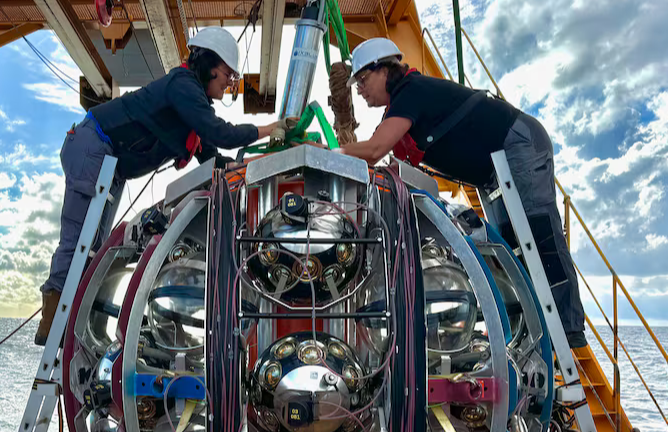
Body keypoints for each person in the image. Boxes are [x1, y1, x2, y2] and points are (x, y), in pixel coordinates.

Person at [34, 26, 298, 345]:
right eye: (228, 74)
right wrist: (270, 128)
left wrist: (265, 163)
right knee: (79, 238)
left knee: (96, 245)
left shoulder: (190, 108)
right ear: (210, 65)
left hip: (110, 163)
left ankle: (73, 324)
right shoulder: (183, 85)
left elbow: (216, 159)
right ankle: (53, 321)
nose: (231, 82)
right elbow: (220, 133)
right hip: (93, 145)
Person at [338, 38, 587, 349]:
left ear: (385, 69)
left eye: (362, 80)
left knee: (539, 236)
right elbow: (386, 157)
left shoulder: (410, 92)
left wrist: (331, 152)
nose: (360, 89)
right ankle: (532, 329)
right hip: (492, 172)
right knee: (507, 248)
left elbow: (374, 149)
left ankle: (567, 325)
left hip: (518, 144)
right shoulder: (399, 108)